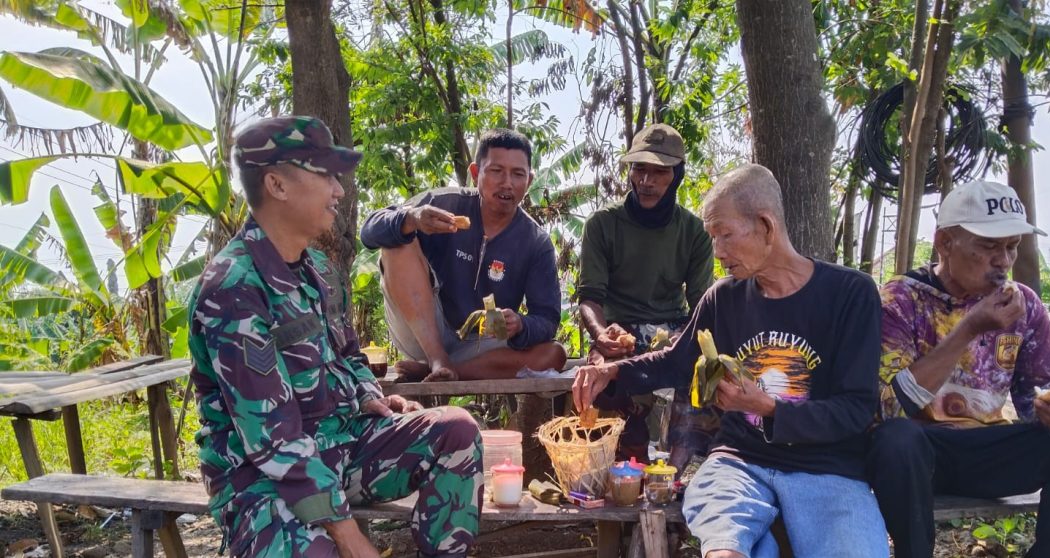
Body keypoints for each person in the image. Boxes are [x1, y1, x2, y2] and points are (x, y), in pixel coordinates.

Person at [189, 115, 483, 558]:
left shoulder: (320, 270)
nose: (339, 190)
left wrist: (370, 397)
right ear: (277, 185)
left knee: (456, 430)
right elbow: (274, 440)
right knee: (317, 551)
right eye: (324, 175)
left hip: (342, 443)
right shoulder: (233, 288)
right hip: (262, 477)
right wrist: (350, 538)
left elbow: (348, 353)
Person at [573, 164, 888, 558]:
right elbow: (676, 362)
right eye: (712, 238)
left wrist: (768, 407)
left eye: (725, 235)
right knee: (726, 551)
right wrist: (613, 370)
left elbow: (856, 410)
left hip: (826, 468)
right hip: (740, 463)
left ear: (766, 226)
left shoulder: (849, 294)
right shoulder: (724, 298)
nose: (718, 252)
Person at [867, 180, 1050, 558]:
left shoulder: (1024, 305)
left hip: (987, 451)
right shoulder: (901, 299)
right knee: (895, 439)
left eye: (1012, 246)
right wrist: (969, 329)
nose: (1003, 260)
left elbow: (1048, 389)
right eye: (988, 246)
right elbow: (887, 409)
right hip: (920, 455)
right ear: (945, 243)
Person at [360, 128, 566, 382]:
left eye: (517, 174)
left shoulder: (535, 242)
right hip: (422, 335)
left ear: (530, 181)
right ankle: (436, 360)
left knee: (554, 354)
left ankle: (445, 371)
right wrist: (411, 218)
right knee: (397, 238)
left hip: (482, 347)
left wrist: (521, 325)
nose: (507, 183)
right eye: (496, 171)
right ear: (475, 173)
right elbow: (369, 232)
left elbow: (547, 319)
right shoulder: (441, 205)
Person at [577, 123, 718, 465]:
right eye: (640, 169)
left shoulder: (694, 232)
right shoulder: (602, 225)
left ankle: (683, 473)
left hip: (672, 330)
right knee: (602, 384)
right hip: (618, 331)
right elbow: (590, 296)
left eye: (659, 172)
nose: (646, 181)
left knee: (706, 373)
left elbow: (703, 302)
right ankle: (616, 485)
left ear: (677, 175)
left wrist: (685, 342)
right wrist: (600, 335)